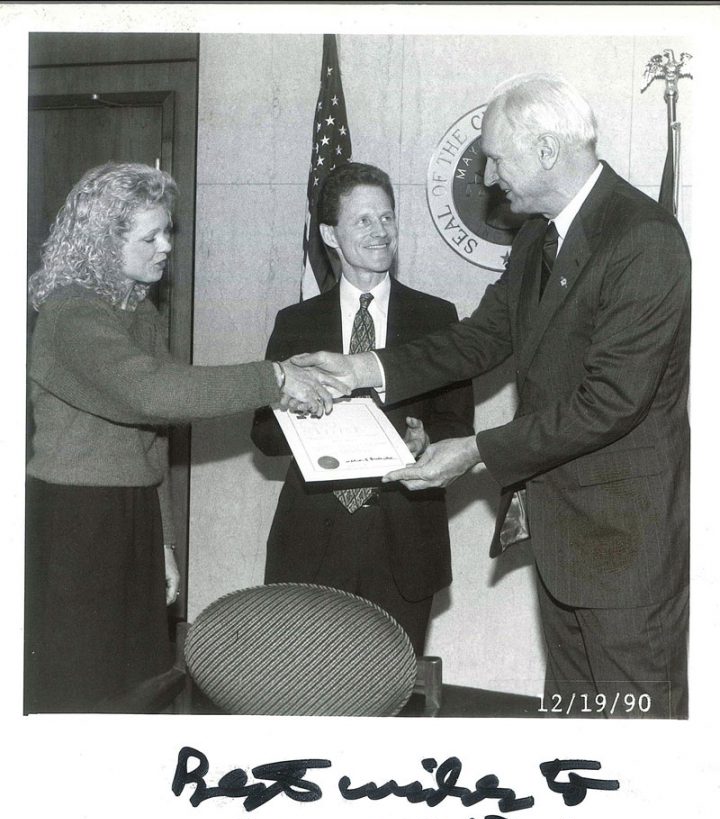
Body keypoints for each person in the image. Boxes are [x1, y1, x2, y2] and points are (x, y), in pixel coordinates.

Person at [292, 74, 691, 719]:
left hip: (624, 543)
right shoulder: (537, 235)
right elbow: (479, 340)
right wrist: (362, 368)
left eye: (497, 159)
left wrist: (475, 450)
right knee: (574, 726)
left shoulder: (642, 238)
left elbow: (610, 401)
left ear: (545, 151)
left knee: (634, 728)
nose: (490, 179)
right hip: (560, 532)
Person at [25, 162, 342, 714]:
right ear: (103, 242)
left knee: (139, 678)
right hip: (77, 519)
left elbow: (151, 441)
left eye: (167, 231)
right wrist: (274, 378)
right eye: (150, 236)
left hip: (132, 512)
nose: (167, 246)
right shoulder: (71, 313)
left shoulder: (135, 309)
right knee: (79, 687)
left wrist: (164, 543)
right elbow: (154, 394)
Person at [251, 163, 475, 655]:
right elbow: (264, 438)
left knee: (385, 693)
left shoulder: (437, 319)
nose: (381, 232)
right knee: (304, 694)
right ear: (330, 233)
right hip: (312, 538)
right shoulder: (296, 323)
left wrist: (425, 442)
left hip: (403, 540)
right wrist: (292, 408)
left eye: (388, 218)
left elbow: (458, 424)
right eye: (364, 221)